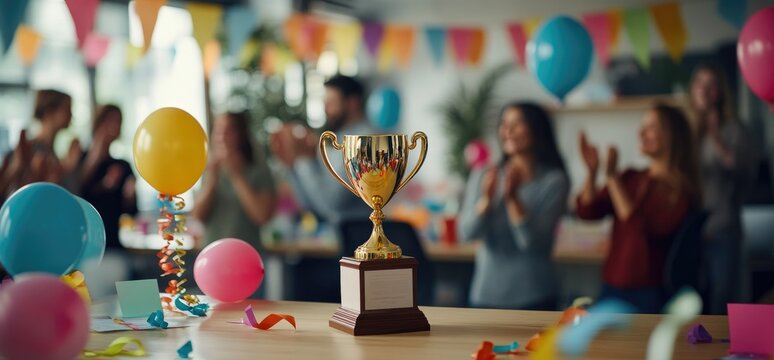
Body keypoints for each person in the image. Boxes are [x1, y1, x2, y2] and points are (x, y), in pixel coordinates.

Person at [576, 103, 701, 313]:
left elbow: (639, 229)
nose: (641, 133)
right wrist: (592, 172)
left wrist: (612, 178)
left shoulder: (679, 193)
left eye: (651, 127)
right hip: (611, 286)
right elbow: (587, 211)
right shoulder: (630, 177)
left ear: (672, 136)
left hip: (648, 293)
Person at [458, 102, 570, 310]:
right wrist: (486, 202)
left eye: (517, 123)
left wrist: (513, 198)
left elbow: (534, 245)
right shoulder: (484, 174)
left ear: (536, 129)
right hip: (485, 295)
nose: (507, 130)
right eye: (504, 123)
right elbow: (466, 234)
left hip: (535, 296)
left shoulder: (554, 181)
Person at [689, 64, 757, 314]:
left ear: (720, 92)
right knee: (693, 304)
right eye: (700, 84)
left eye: (711, 85)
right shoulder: (686, 131)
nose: (705, 91)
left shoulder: (735, 130)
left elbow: (745, 177)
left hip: (723, 229)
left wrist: (716, 140)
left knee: (722, 301)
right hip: (689, 232)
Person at [270, 74, 374, 224]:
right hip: (338, 237)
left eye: (331, 102)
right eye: (324, 103)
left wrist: (305, 158)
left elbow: (331, 204)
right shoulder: (334, 140)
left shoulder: (365, 141)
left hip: (362, 237)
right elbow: (312, 207)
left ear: (353, 103)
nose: (325, 109)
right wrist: (292, 164)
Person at [193, 112, 276, 249]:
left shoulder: (259, 170)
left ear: (241, 135)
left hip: (247, 255)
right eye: (218, 130)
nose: (222, 136)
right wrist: (211, 180)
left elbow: (262, 216)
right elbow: (198, 216)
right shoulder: (210, 171)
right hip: (212, 255)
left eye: (228, 130)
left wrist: (237, 176)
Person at [0, 89, 80, 202]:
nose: (71, 115)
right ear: (49, 111)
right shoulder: (30, 150)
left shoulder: (51, 152)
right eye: (67, 109)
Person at [77, 105, 138, 250]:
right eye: (109, 120)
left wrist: (130, 196)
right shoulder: (79, 159)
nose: (114, 126)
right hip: (84, 245)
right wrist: (104, 185)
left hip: (112, 244)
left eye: (118, 121)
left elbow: (132, 212)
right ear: (98, 123)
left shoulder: (123, 166)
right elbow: (78, 193)